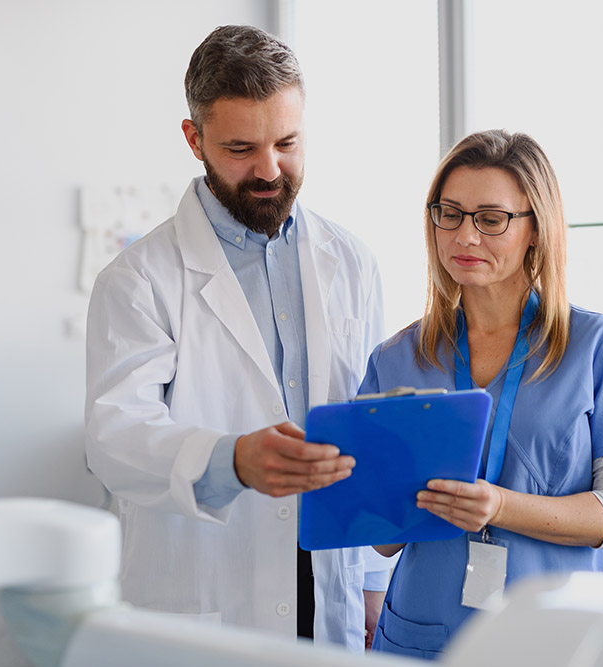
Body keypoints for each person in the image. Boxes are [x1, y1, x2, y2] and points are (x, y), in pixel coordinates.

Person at [84, 25, 391, 652]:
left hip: (328, 582)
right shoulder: (140, 278)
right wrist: (229, 459)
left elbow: (371, 420)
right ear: (194, 139)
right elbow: (114, 439)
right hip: (208, 588)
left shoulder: (351, 260)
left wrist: (372, 577)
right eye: (241, 148)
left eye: (287, 142)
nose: (270, 169)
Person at [359, 129, 603, 659]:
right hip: (424, 630)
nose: (465, 237)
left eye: (491, 219)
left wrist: (499, 505)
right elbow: (381, 537)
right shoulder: (396, 358)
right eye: (451, 213)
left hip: (557, 633)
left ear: (536, 229)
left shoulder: (599, 347)